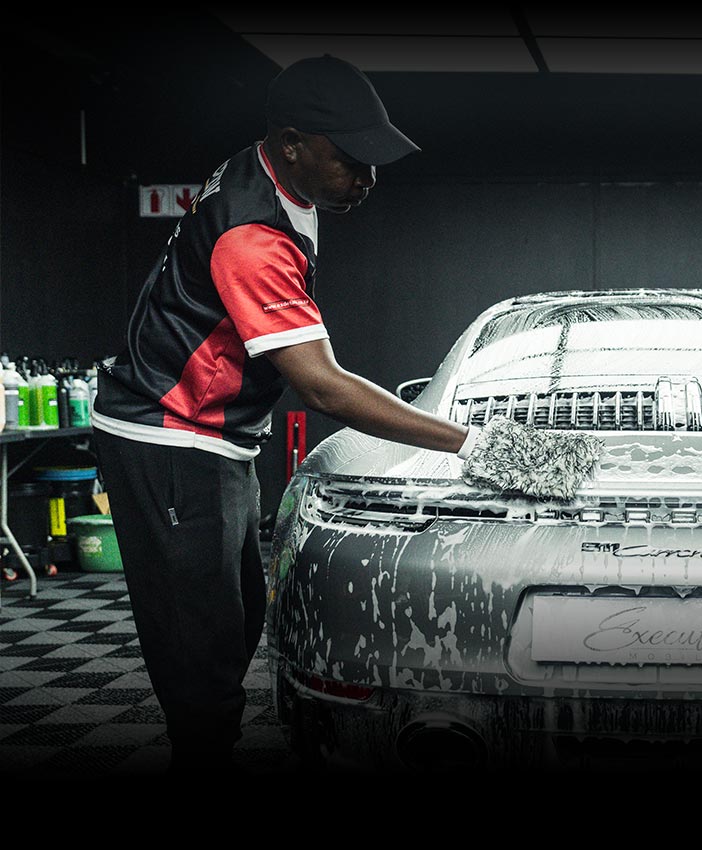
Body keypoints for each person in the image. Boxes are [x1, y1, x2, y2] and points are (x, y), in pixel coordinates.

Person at [91, 55, 488, 775]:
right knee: (201, 648)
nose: (367, 179)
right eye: (351, 161)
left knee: (237, 617)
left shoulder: (280, 177)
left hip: (215, 437)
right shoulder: (255, 235)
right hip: (170, 437)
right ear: (293, 142)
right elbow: (323, 388)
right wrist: (467, 442)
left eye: (373, 161)